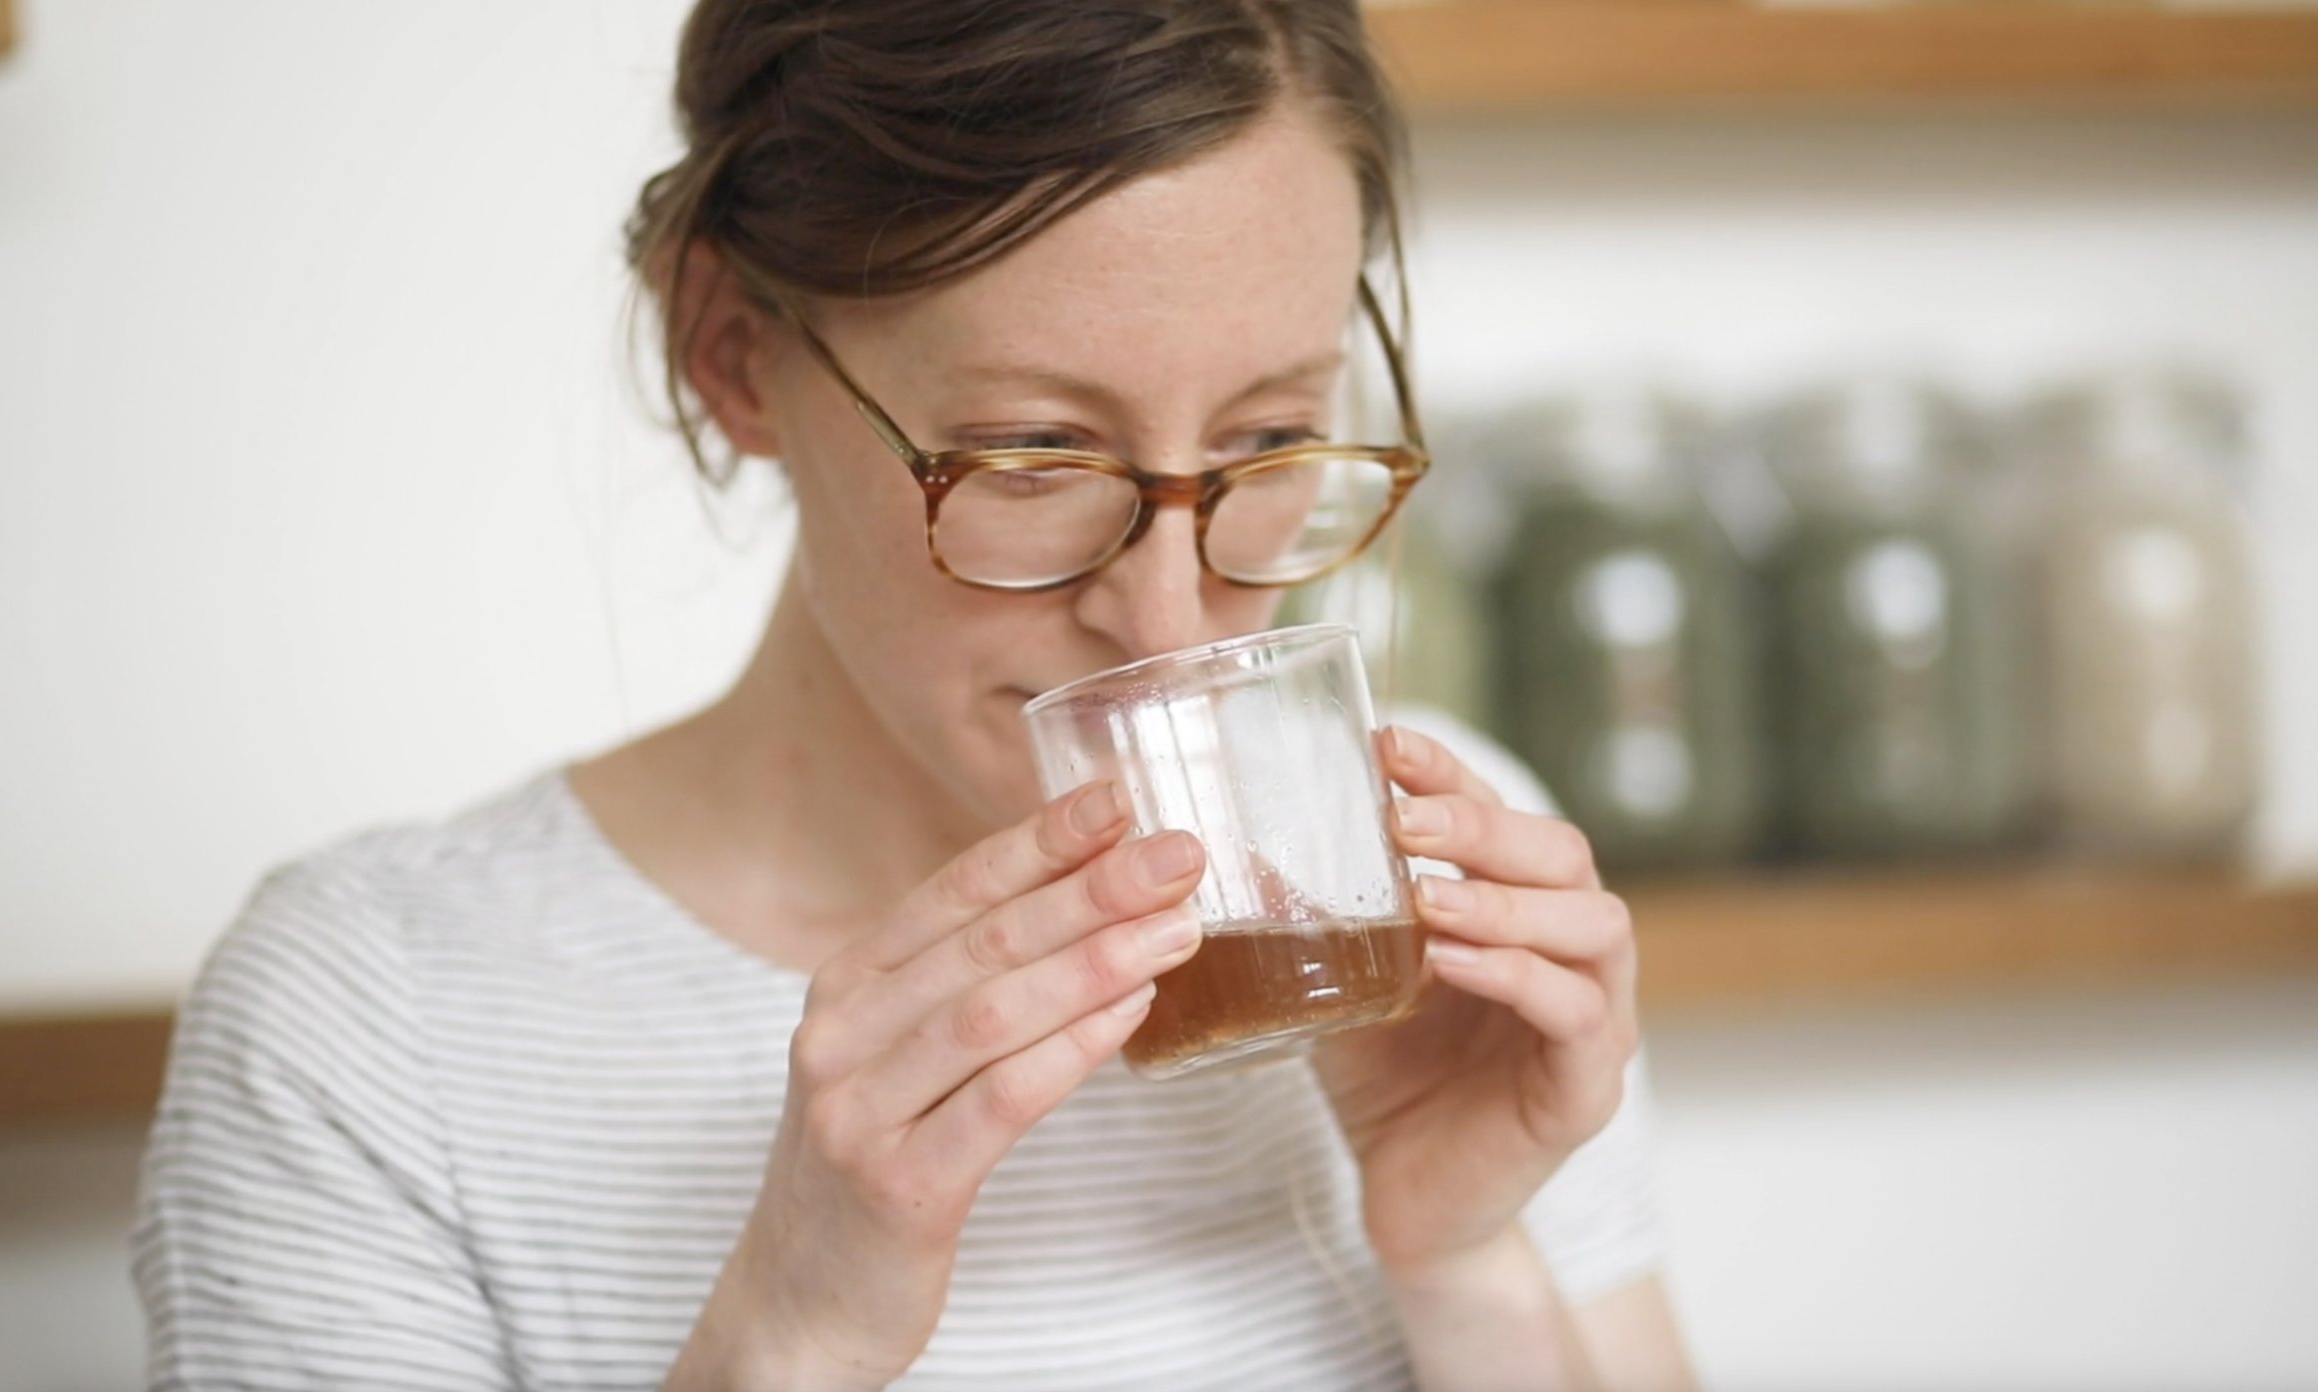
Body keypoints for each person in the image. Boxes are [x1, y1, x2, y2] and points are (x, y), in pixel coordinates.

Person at [131, 2, 1700, 1388]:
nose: (1161, 612)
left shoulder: (1430, 875)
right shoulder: (369, 1027)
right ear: (732, 351)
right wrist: (795, 1338)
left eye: (1266, 445)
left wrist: (1469, 1259)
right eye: (1034, 459)